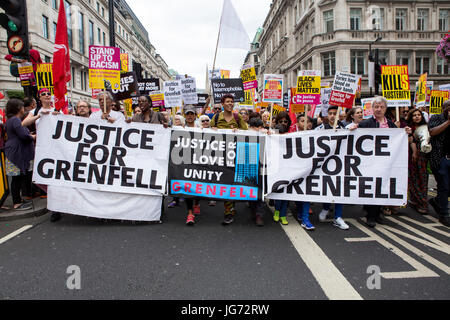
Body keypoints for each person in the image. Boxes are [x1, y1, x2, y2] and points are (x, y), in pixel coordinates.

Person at [355, 96, 412, 227]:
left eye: (381, 107)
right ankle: (370, 215)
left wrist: (405, 132)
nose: (379, 109)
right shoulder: (365, 124)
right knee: (371, 187)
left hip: (386, 163)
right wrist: (353, 128)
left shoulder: (391, 124)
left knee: (382, 187)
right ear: (372, 109)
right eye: (376, 107)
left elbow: (398, 139)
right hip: (370, 162)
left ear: (385, 109)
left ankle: (378, 212)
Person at [210, 94, 248, 225]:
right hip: (220, 156)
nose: (230, 104)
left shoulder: (237, 118)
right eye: (227, 102)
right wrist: (212, 129)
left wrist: (239, 131)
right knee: (224, 181)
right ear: (222, 104)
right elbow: (205, 134)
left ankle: (228, 210)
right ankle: (229, 207)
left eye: (232, 102)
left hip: (235, 155)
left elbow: (247, 133)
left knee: (231, 182)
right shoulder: (215, 118)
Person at [314, 106, 349, 230]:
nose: (333, 116)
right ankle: (325, 207)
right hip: (325, 164)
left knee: (339, 189)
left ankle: (338, 216)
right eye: (330, 113)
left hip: (340, 164)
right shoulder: (320, 129)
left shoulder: (346, 129)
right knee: (326, 186)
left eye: (335, 113)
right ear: (327, 115)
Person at [4, 99, 35, 211]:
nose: (24, 108)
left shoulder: (11, 120)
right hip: (16, 153)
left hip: (15, 151)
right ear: (18, 108)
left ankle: (19, 199)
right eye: (22, 107)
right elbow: (23, 135)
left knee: (19, 177)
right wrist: (33, 137)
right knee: (17, 178)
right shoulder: (15, 120)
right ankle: (16, 202)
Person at [428, 100, 450, 227]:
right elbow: (432, 132)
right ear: (444, 109)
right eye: (448, 107)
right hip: (441, 159)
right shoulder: (437, 118)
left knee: (447, 189)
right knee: (443, 186)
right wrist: (448, 122)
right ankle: (444, 215)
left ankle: (437, 201)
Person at [180, 105, 201, 225]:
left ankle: (197, 202)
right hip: (185, 161)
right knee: (188, 186)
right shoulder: (180, 128)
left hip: (199, 160)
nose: (189, 116)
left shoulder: (201, 128)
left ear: (195, 115)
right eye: (187, 114)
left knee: (197, 185)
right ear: (185, 115)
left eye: (192, 114)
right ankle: (190, 213)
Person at [406, 108, 429, 214]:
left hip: (423, 157)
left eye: (419, 115)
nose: (417, 117)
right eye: (414, 115)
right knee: (413, 179)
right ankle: (416, 201)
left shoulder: (426, 128)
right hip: (410, 156)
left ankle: (423, 203)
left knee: (422, 179)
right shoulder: (408, 128)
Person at [248, 116, 265, 226]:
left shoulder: (266, 135)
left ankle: (259, 214)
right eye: (255, 128)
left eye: (260, 127)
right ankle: (254, 210)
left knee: (261, 191)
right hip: (249, 167)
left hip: (262, 168)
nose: (258, 130)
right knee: (251, 190)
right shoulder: (244, 134)